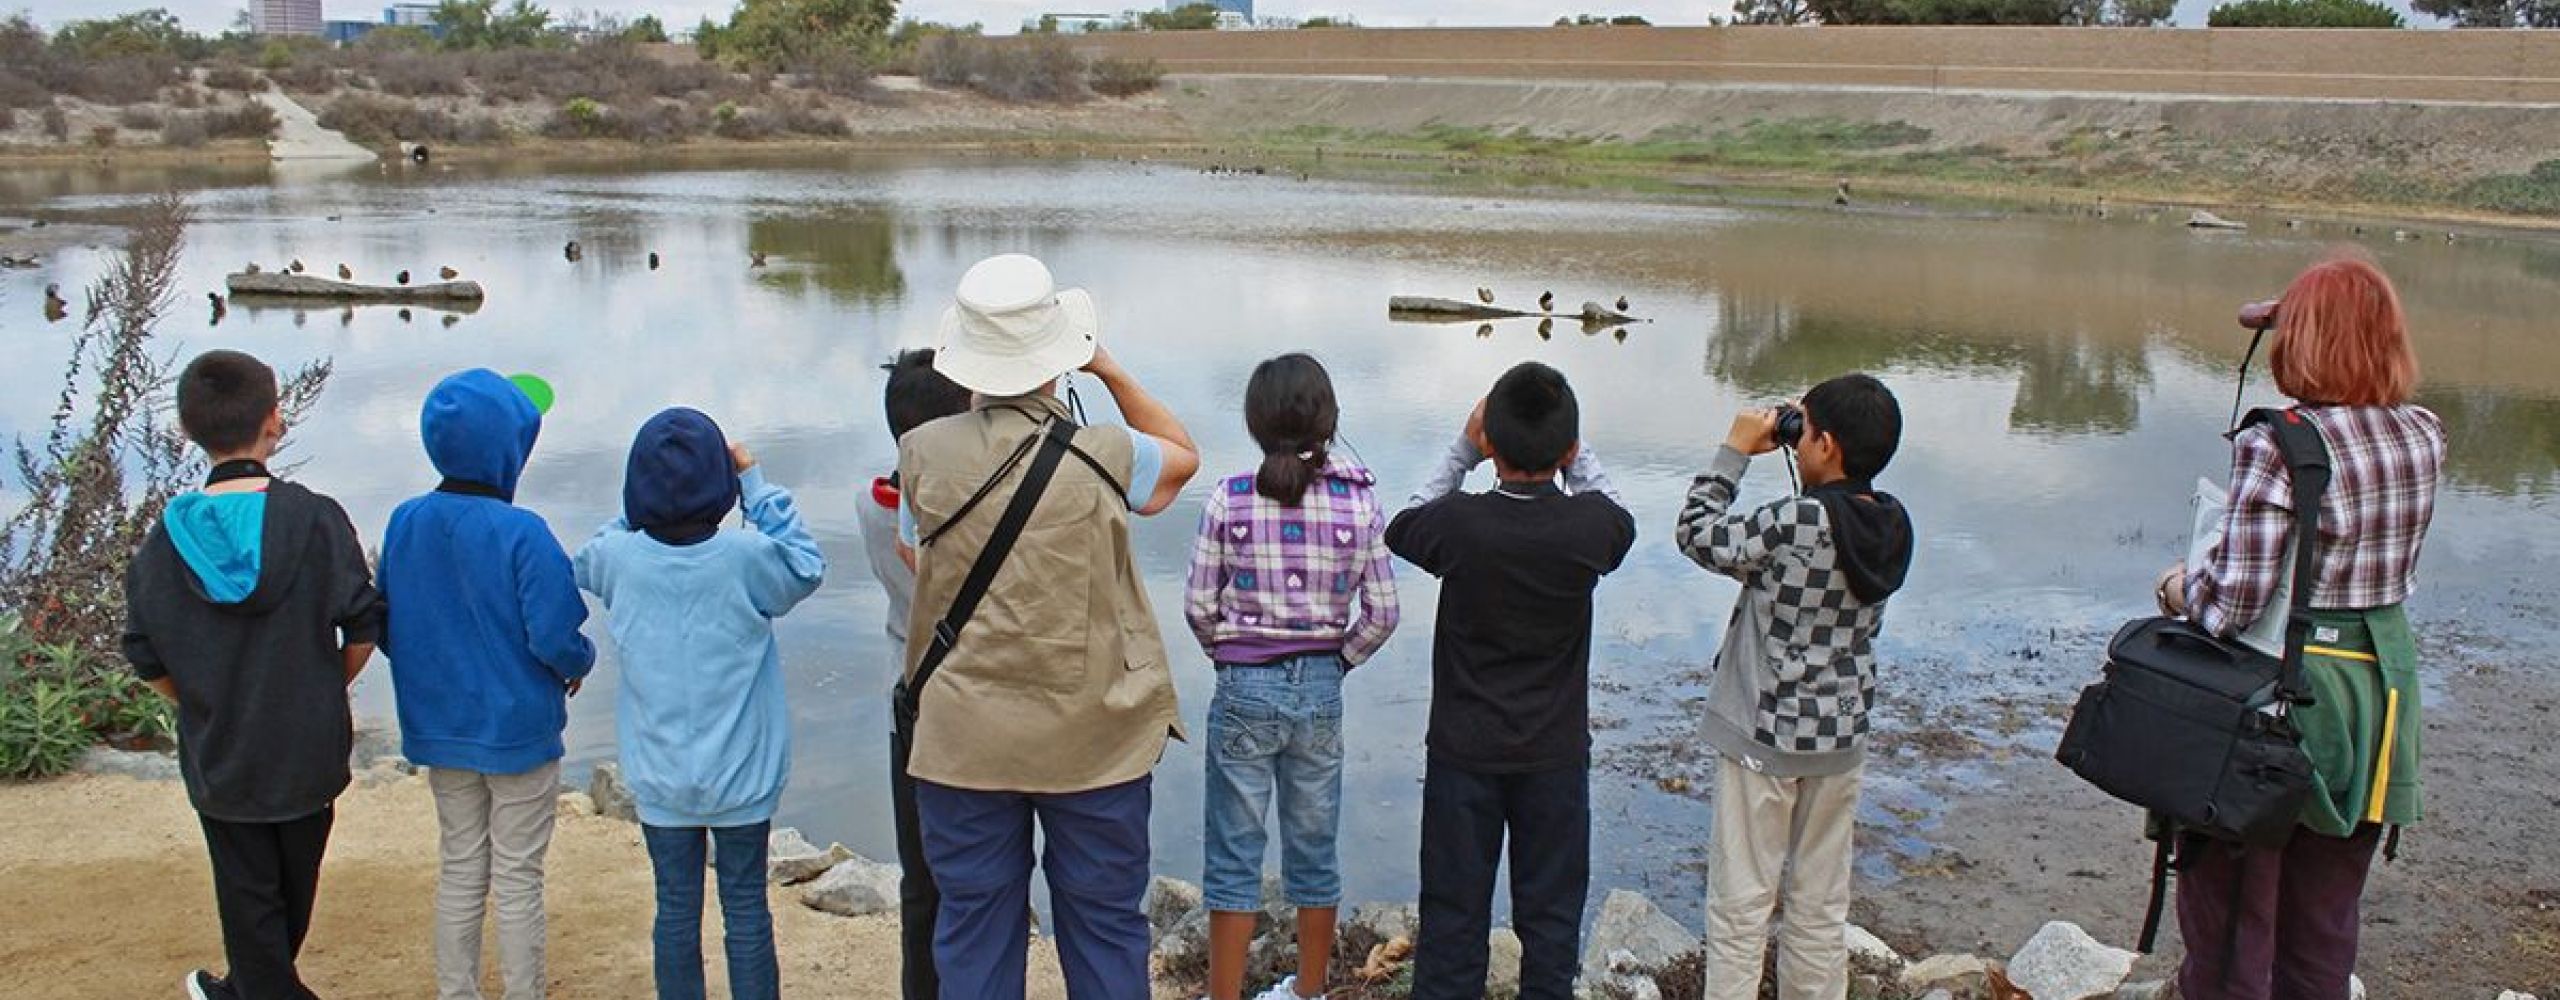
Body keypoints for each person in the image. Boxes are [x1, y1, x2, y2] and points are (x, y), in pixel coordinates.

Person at [896, 253, 1199, 1000]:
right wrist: (1106, 369)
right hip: (1095, 736)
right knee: (1103, 929)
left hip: (964, 739)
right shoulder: (1108, 455)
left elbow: (917, 556)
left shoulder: (921, 455)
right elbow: (1184, 459)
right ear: (1056, 354)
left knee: (973, 931)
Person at [2162, 257, 2443, 1000]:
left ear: (2303, 342)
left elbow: (2233, 605)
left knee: (2230, 923)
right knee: (2323, 924)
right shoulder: (2423, 434)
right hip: (2377, 699)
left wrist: (2178, 586)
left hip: (2283, 702)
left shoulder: (2276, 445)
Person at [121, 349, 386, 1000]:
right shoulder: (316, 519)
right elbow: (363, 624)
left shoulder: (164, 543)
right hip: (307, 745)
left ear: (187, 432)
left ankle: (246, 988)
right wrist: (328, 684)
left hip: (224, 753)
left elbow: (145, 652)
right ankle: (255, 987)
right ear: (275, 420)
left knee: (249, 899)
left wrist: (202, 700)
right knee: (293, 890)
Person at [1384, 361, 1635, 1000]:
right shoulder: (1590, 529)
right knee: (1551, 924)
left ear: (1490, 443)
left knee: (1452, 919)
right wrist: (1575, 455)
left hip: (1462, 754)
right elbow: (1618, 513)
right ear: (1570, 449)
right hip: (1553, 756)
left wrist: (1463, 451)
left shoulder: (1459, 524)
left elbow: (1403, 524)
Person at [574, 409, 826, 1000]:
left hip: (660, 778)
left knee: (675, 912)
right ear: (721, 486)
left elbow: (589, 554)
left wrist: (642, 504)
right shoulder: (746, 559)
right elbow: (807, 565)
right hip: (743, 775)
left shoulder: (619, 560)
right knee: (745, 911)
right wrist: (756, 485)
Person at [1675, 375, 1914, 1000]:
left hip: (1765, 737)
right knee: (1819, 906)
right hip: (1840, 739)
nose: (1795, 437)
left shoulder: (1797, 521)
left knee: (1741, 905)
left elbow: (1697, 533)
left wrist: (1733, 450)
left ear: (1827, 445)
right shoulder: (1892, 524)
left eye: (1801, 429)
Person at [1183, 353, 1401, 1000]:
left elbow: (1198, 606)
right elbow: (1384, 613)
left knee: (1233, 853)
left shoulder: (1230, 497)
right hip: (1320, 688)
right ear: (1328, 421)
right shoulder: (1359, 503)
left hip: (1244, 684)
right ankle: (1305, 993)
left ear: (1255, 423)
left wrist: (1229, 653)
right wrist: (1338, 659)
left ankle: (1224, 995)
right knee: (1313, 848)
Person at [380, 369, 597, 1000]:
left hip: (442, 730)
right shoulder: (522, 531)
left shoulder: (405, 521)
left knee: (460, 866)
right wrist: (578, 663)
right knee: (519, 873)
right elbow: (554, 633)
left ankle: (457, 993)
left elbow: (390, 618)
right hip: (519, 730)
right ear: (511, 449)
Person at [860, 349, 975, 1000]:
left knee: (919, 881)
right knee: (978, 878)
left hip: (907, 694)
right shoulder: (964, 507)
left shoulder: (871, 498)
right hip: (965, 702)